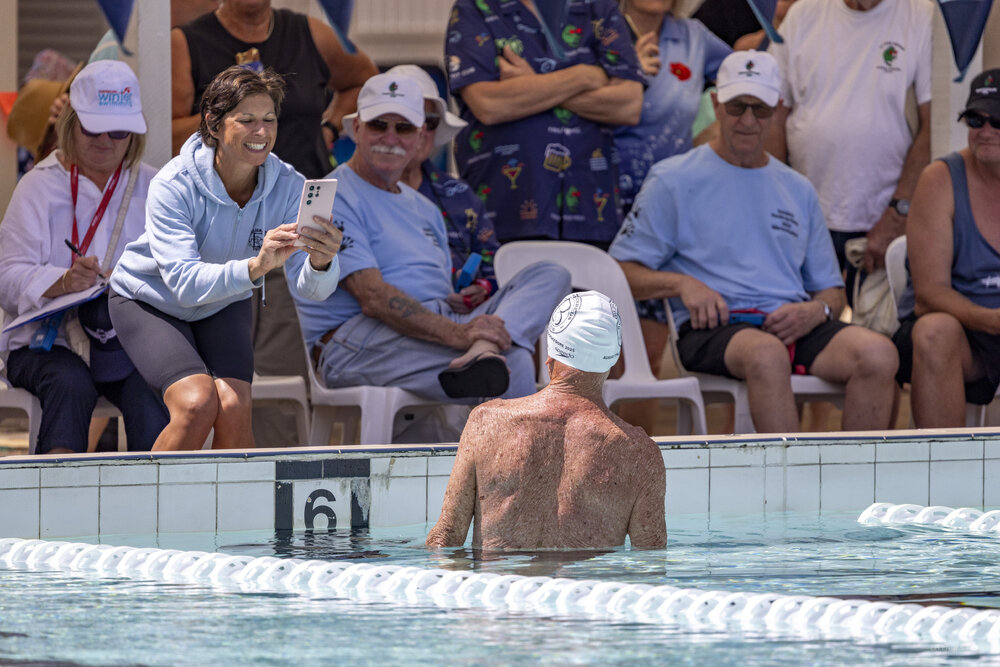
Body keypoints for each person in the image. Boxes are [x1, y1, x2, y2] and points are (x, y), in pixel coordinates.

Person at [608, 50, 898, 433]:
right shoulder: (672, 179)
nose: (747, 120)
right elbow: (619, 272)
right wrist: (681, 284)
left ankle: (859, 489)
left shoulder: (798, 188)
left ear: (778, 109)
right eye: (736, 106)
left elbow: (831, 292)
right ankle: (790, 489)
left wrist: (816, 312)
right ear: (715, 104)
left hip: (793, 325)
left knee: (879, 354)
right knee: (766, 354)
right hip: (713, 328)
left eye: (759, 109)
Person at [287, 72, 571, 405]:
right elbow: (374, 298)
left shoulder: (424, 207)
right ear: (358, 129)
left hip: (427, 327)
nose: (390, 138)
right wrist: (460, 333)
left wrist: (461, 303)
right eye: (379, 124)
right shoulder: (333, 196)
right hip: (353, 341)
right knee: (512, 363)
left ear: (421, 137)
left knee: (552, 274)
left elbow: (429, 288)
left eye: (404, 128)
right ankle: (516, 451)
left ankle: (485, 352)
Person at [171, 0, 379, 446]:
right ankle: (209, 495)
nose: (263, 129)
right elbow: (164, 131)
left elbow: (363, 79)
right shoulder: (187, 43)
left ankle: (273, 492)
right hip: (220, 233)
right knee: (219, 391)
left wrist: (327, 127)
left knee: (284, 385)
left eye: (271, 118)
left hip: (290, 225)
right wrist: (238, 119)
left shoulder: (311, 33)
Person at [109, 66, 342, 451]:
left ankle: (225, 513)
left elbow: (312, 291)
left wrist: (321, 262)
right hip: (149, 300)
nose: (262, 132)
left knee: (235, 408)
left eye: (269, 120)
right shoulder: (173, 183)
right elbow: (183, 284)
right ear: (213, 125)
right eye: (246, 120)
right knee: (197, 404)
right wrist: (256, 267)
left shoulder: (289, 186)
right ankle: (145, 510)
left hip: (223, 300)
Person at [0, 61, 168, 455]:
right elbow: (5, 279)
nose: (105, 141)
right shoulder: (38, 186)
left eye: (119, 131)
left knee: (154, 392)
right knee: (69, 383)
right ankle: (56, 508)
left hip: (124, 343)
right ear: (70, 124)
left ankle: (158, 509)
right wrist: (62, 282)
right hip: (45, 343)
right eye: (93, 128)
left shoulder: (155, 185)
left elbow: (179, 272)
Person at [426, 290, 666, 550]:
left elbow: (445, 539)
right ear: (612, 361)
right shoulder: (640, 455)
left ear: (550, 357)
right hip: (586, 591)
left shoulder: (486, 424)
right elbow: (650, 565)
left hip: (498, 589)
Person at [445, 0, 645, 246]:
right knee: (514, 284)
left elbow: (629, 105)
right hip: (506, 211)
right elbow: (488, 104)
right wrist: (585, 75)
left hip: (592, 212)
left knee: (590, 285)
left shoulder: (599, 8)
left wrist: (533, 83)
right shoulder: (474, 8)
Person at [767, 0, 933, 289]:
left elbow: (934, 126)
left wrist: (898, 212)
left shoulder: (922, 15)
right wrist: (780, 206)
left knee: (876, 330)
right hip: (805, 216)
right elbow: (773, 113)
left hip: (883, 220)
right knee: (802, 325)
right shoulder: (803, 14)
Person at [893, 70, 1000, 428]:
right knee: (935, 331)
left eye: (997, 120)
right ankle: (942, 477)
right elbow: (929, 294)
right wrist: (991, 320)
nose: (985, 131)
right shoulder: (940, 179)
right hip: (961, 331)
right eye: (975, 119)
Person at [388, 64, 500, 310]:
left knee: (548, 275)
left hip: (468, 316)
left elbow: (494, 269)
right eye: (407, 121)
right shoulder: (354, 192)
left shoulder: (460, 195)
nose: (420, 131)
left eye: (429, 121)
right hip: (395, 317)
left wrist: (482, 288)